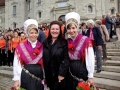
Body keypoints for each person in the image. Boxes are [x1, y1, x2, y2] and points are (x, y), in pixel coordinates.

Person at [65, 12, 95, 90]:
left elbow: (90, 58)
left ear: (77, 27)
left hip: (81, 70)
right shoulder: (66, 41)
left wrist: (90, 76)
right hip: (69, 72)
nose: (71, 30)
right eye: (69, 28)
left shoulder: (86, 40)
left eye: (73, 28)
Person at [12, 19, 44, 90]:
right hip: (26, 74)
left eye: (36, 33)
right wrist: (16, 79)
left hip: (38, 74)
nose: (34, 35)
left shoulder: (42, 46)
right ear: (27, 33)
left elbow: (44, 63)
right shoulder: (20, 46)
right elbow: (16, 64)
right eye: (31, 33)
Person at [43, 21, 69, 90]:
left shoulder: (64, 42)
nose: (55, 31)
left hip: (59, 75)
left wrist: (61, 73)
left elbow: (66, 58)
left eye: (57, 29)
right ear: (50, 30)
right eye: (53, 29)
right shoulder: (45, 42)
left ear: (60, 30)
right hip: (49, 75)